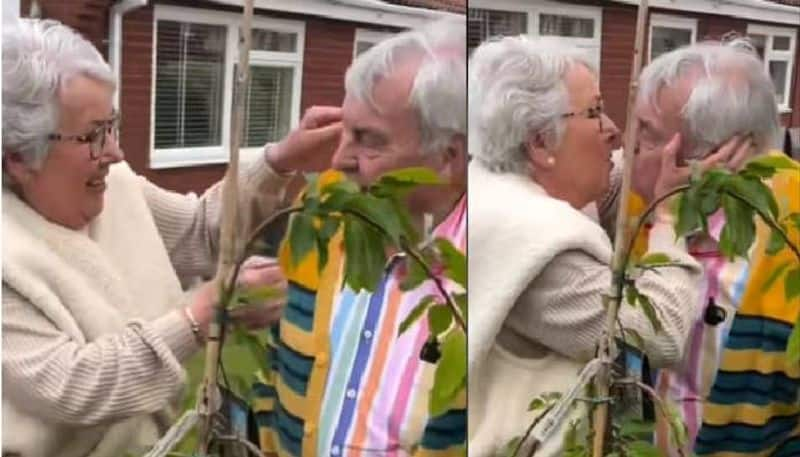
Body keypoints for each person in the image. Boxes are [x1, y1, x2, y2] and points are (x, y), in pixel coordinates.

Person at [1, 18, 339, 457]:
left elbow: (201, 231)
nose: (116, 152)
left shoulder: (117, 185)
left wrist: (280, 160)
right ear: (20, 159)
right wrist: (203, 313)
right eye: (93, 135)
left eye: (113, 124)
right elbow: (74, 385)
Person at [466, 35, 724, 456]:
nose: (616, 132)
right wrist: (670, 217)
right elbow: (659, 337)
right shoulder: (538, 245)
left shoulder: (496, 184)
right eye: (596, 112)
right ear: (539, 143)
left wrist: (651, 157)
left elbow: (606, 188)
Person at [251, 18, 467, 456]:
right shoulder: (324, 213)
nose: (338, 158)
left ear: (448, 156)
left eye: (368, 141)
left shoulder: (488, 266)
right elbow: (277, 366)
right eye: (344, 130)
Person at [629, 39, 800, 457]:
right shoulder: (642, 210)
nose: (626, 144)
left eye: (646, 133)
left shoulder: (789, 230)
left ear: (711, 156)